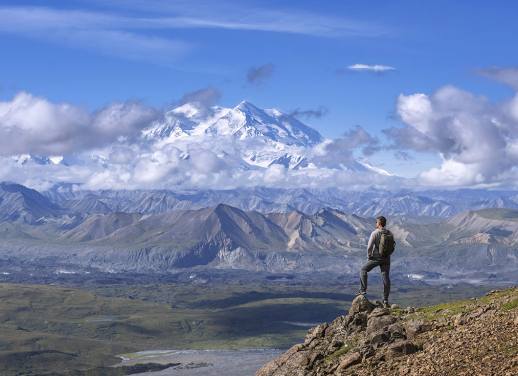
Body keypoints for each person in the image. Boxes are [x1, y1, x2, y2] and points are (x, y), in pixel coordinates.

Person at [357, 215, 393, 308]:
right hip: (386, 258)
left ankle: (362, 290)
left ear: (379, 223)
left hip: (376, 257)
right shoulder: (389, 233)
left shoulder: (375, 233)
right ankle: (385, 300)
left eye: (376, 222)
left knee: (363, 270)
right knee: (385, 277)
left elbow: (369, 247)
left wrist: (369, 256)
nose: (375, 224)